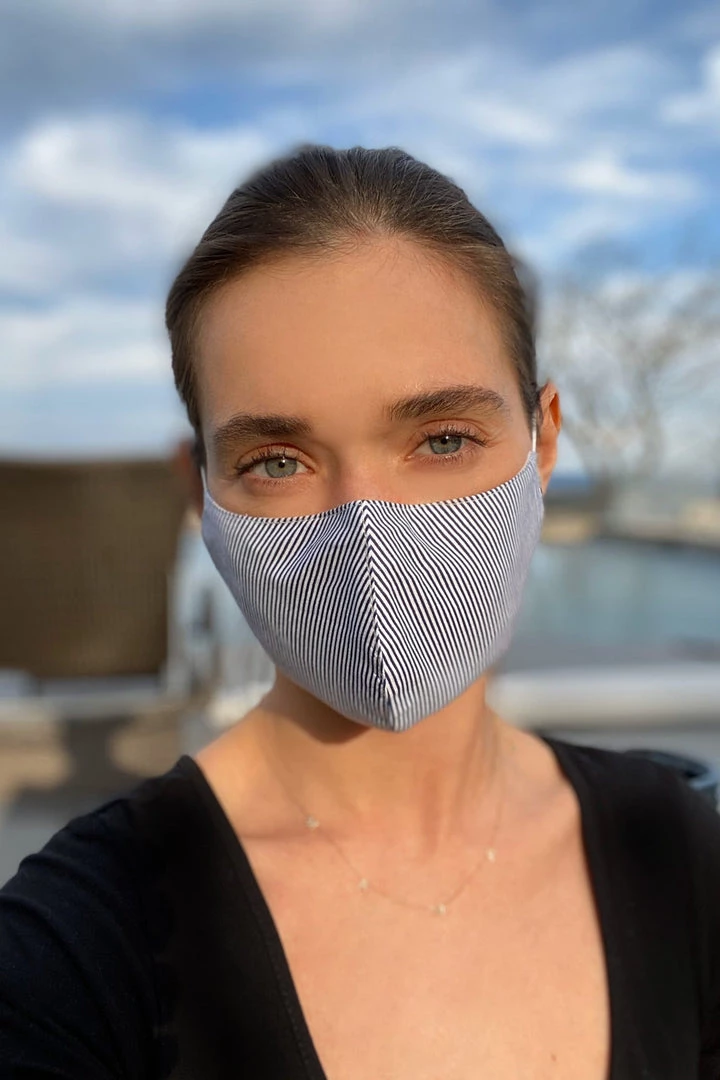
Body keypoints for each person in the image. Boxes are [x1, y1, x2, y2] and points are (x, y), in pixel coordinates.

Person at [1, 145, 719, 1080]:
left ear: (543, 444)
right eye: (277, 461)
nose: (366, 530)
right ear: (199, 490)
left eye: (443, 439)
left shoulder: (681, 850)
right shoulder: (73, 956)